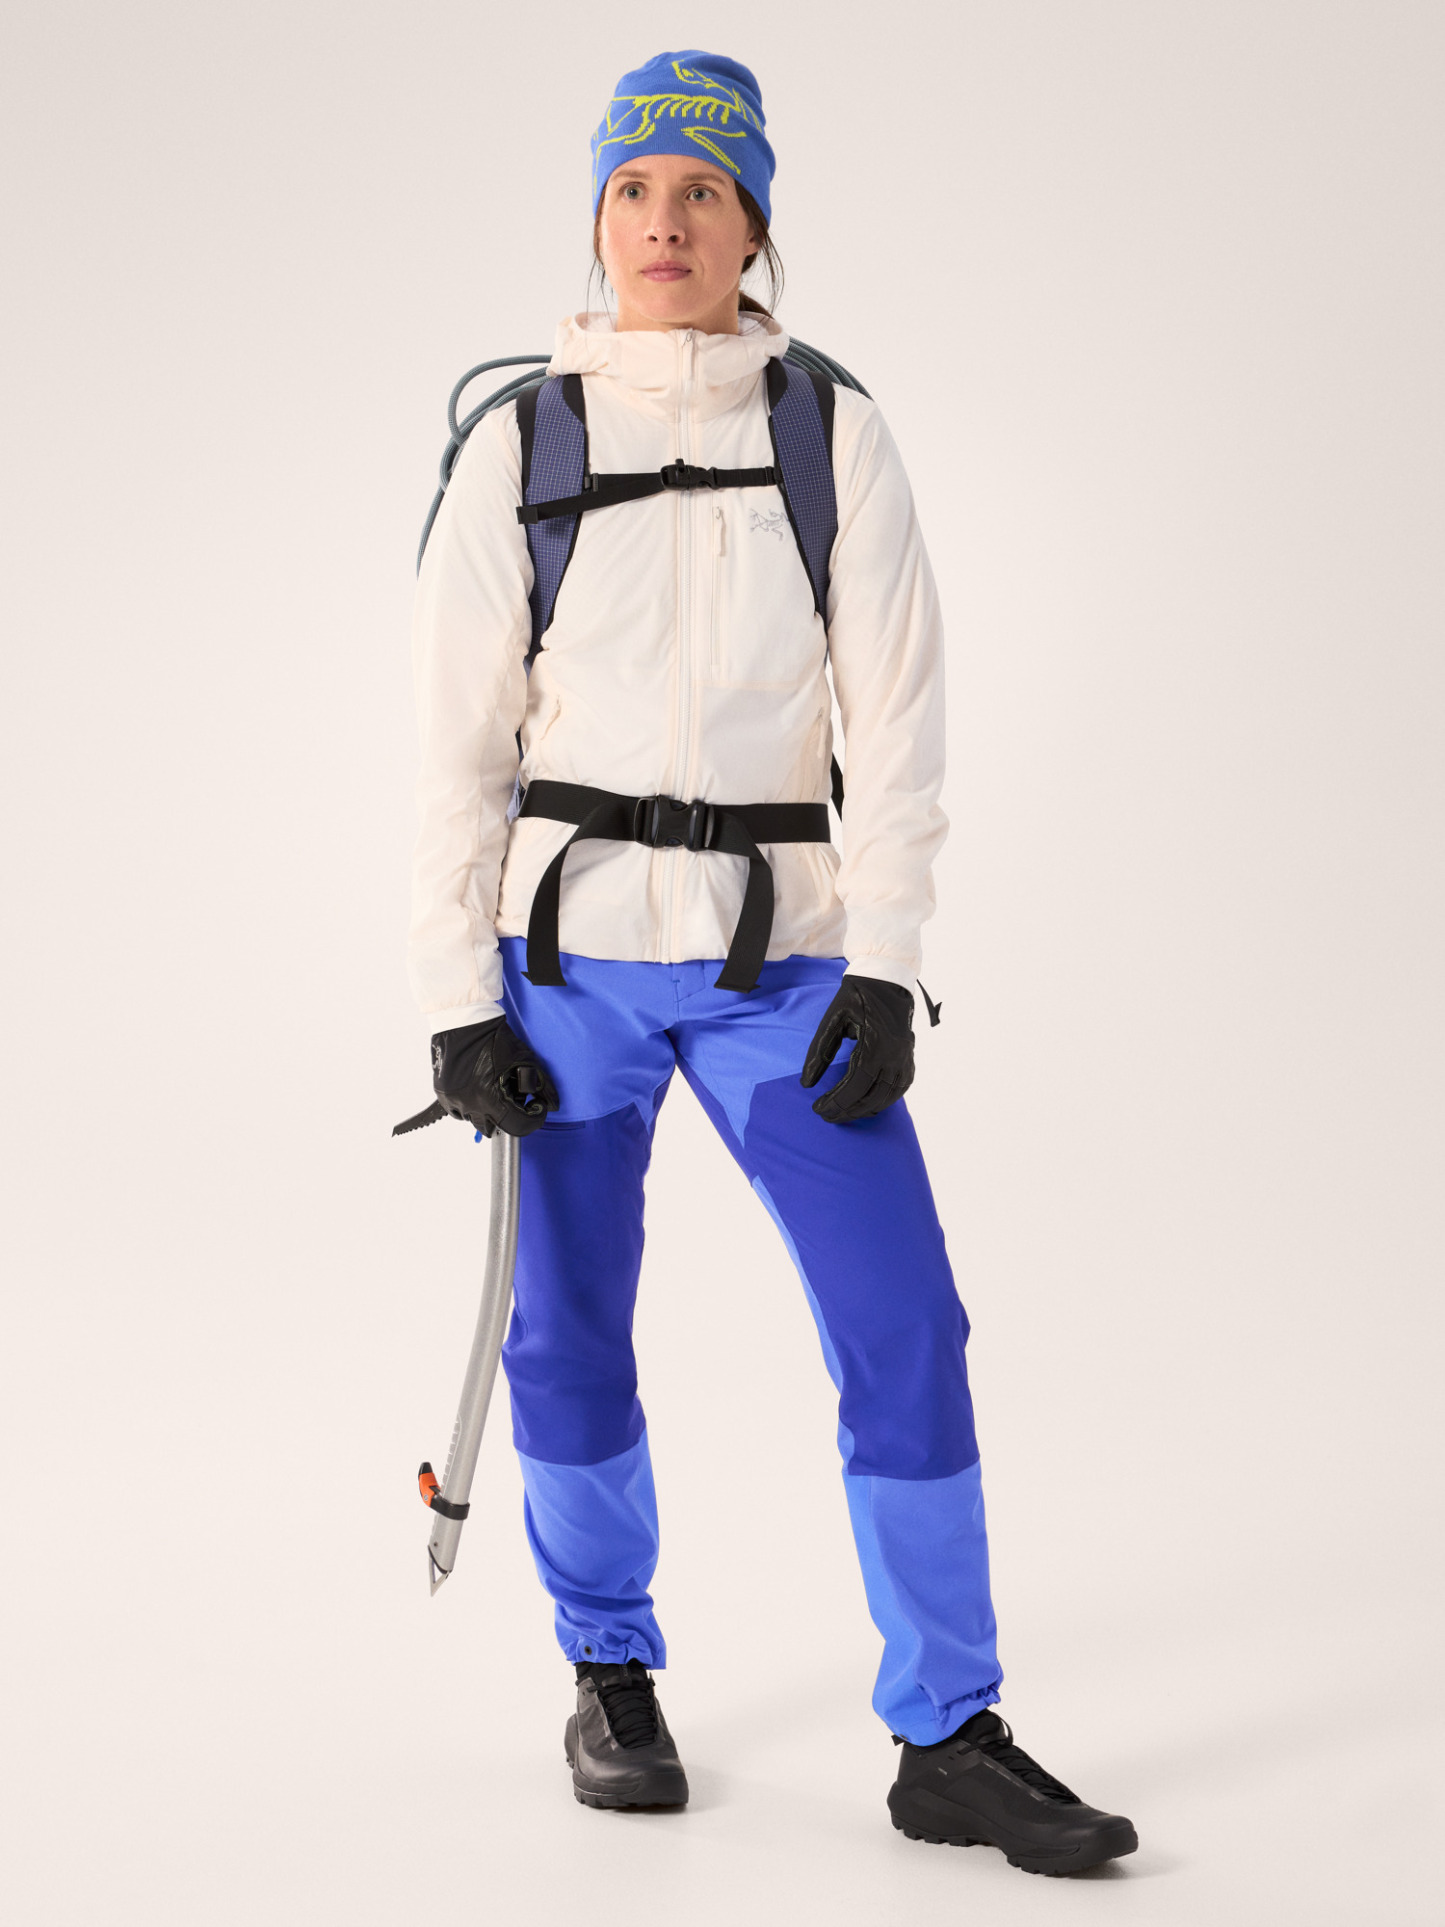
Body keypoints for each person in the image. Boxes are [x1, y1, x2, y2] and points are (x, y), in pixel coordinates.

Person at [407, 49, 1137, 1878]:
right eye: (633, 191)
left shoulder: (833, 435)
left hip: (785, 967)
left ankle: (946, 1730)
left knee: (904, 1325)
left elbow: (900, 722)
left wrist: (882, 965)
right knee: (565, 1330)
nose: (664, 223)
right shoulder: (522, 441)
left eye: (702, 192)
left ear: (754, 229)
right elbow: (453, 752)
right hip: (564, 967)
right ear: (596, 220)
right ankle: (609, 1670)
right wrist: (455, 1003)